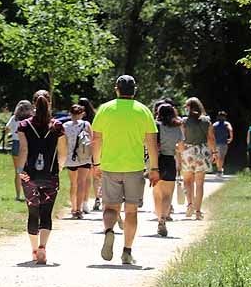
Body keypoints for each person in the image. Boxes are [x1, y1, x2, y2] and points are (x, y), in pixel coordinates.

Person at [91, 75, 159, 266]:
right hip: (134, 168)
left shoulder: (105, 109)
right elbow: (151, 142)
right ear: (134, 90)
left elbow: (96, 140)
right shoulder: (143, 111)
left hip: (110, 166)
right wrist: (154, 168)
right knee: (131, 212)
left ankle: (109, 231)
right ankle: (127, 252)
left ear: (116, 89)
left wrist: (96, 164)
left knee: (110, 207)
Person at [16, 90, 66, 264]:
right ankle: (44, 247)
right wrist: (58, 168)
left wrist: (20, 171)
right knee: (46, 213)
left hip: (29, 176)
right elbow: (63, 153)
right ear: (49, 103)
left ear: (33, 104)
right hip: (51, 175)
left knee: (33, 213)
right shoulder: (57, 126)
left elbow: (23, 150)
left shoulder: (23, 125)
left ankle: (34, 250)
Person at [181, 97, 216, 220]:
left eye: (186, 106)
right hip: (202, 152)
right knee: (199, 184)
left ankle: (190, 204)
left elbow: (182, 138)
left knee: (187, 181)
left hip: (188, 152)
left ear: (190, 108)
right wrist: (214, 152)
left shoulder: (184, 121)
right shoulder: (207, 121)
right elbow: (211, 138)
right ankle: (198, 211)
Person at [154, 103, 184, 237]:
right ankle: (162, 220)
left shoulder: (156, 125)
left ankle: (159, 217)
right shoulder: (177, 128)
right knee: (167, 195)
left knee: (157, 194)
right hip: (170, 160)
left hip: (156, 161)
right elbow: (181, 148)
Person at [63, 103, 93, 219]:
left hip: (71, 159)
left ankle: (73, 208)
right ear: (82, 114)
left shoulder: (65, 126)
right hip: (84, 157)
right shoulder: (86, 124)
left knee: (73, 184)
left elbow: (63, 143)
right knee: (82, 183)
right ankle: (79, 210)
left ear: (70, 113)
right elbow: (91, 140)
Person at [6, 100, 33, 202]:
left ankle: (18, 195)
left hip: (16, 144)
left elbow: (7, 129)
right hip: (27, 144)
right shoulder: (30, 119)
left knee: (18, 171)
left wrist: (12, 132)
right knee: (28, 170)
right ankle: (29, 194)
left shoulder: (14, 118)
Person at [79, 97, 100, 212]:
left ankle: (81, 202)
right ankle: (97, 197)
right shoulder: (94, 118)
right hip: (93, 149)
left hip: (80, 152)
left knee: (83, 178)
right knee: (95, 176)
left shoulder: (78, 121)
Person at [212, 110, 233, 177]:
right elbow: (230, 130)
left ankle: (219, 170)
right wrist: (231, 138)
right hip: (223, 143)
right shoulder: (227, 124)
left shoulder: (214, 124)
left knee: (217, 157)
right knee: (221, 157)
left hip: (216, 143)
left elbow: (211, 133)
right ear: (224, 117)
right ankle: (219, 170)